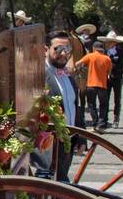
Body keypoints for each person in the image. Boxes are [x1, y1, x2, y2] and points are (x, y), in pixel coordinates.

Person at [32, 30, 77, 182]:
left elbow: (75, 105)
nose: (64, 54)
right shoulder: (39, 76)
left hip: (68, 142)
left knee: (63, 185)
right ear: (46, 50)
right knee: (59, 188)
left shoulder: (68, 76)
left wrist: (81, 137)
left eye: (67, 50)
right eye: (58, 49)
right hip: (50, 145)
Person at [75, 41, 112, 131]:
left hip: (91, 84)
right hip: (102, 85)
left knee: (91, 105)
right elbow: (109, 72)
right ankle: (101, 124)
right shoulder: (107, 59)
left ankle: (95, 123)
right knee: (103, 105)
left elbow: (77, 64)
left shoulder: (90, 56)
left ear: (94, 48)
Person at [101, 30, 123, 127]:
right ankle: (104, 118)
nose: (108, 43)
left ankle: (116, 118)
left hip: (116, 76)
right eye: (107, 42)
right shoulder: (104, 52)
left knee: (117, 98)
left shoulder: (121, 51)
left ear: (114, 42)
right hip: (106, 77)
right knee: (105, 98)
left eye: (110, 42)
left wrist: (110, 67)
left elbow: (121, 64)